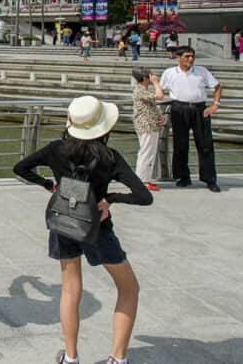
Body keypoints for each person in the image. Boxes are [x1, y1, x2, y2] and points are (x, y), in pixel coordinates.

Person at [13, 96, 153, 364]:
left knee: (70, 289)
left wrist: (48, 185)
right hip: (97, 227)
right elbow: (144, 196)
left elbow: (20, 167)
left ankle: (71, 356)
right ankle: (117, 358)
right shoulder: (110, 157)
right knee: (128, 288)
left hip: (64, 221)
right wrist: (109, 199)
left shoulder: (56, 149)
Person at [159, 46, 223, 192]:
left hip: (200, 109)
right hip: (178, 109)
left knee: (205, 144)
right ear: (178, 57)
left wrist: (215, 105)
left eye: (193, 56)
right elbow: (160, 91)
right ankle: (183, 177)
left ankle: (210, 179)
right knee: (180, 144)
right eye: (187, 56)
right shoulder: (169, 73)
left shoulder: (202, 71)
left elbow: (218, 87)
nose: (191, 59)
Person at [131, 67, 165, 192]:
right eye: (150, 76)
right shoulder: (140, 90)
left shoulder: (143, 89)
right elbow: (160, 96)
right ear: (145, 78)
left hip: (150, 124)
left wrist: (159, 117)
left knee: (149, 152)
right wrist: (156, 83)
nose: (152, 77)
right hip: (146, 125)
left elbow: (151, 105)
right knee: (146, 152)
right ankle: (142, 181)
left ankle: (145, 179)